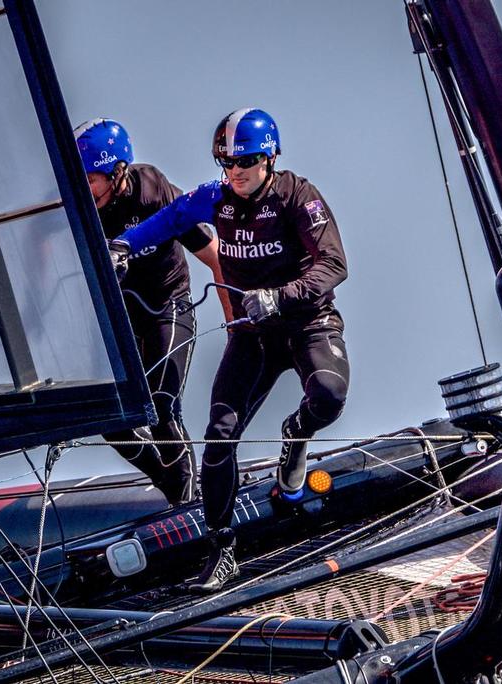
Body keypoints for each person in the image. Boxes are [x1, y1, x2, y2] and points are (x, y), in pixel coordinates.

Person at [108, 108, 349, 592]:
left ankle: (295, 437)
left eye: (246, 162)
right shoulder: (214, 198)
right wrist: (124, 245)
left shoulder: (299, 198)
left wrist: (282, 296)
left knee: (327, 396)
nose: (235, 172)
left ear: (270, 157)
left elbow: (335, 264)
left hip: (306, 324)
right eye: (227, 163)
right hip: (252, 336)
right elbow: (168, 219)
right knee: (219, 436)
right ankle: (223, 550)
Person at [75, 118, 227, 506]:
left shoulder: (150, 190)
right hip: (123, 320)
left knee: (161, 406)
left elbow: (214, 258)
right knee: (113, 419)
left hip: (167, 305)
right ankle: (172, 486)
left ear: (118, 172)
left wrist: (235, 325)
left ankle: (191, 502)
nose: (84, 189)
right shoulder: (80, 206)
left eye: (91, 179)